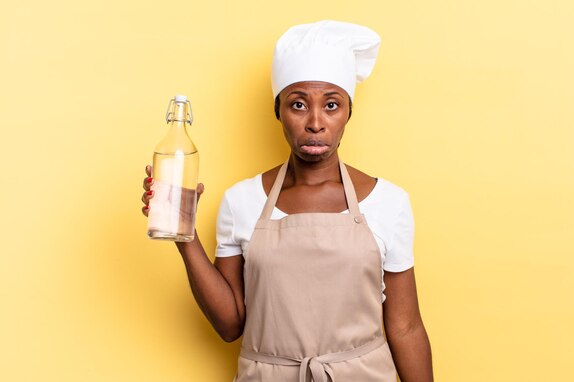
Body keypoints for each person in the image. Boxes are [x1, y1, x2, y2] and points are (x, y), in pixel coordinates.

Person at [141, 20, 433, 382]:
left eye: (331, 105)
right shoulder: (241, 201)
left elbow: (405, 328)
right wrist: (184, 234)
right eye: (298, 104)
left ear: (348, 112)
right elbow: (231, 325)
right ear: (278, 110)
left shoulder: (389, 202)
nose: (315, 122)